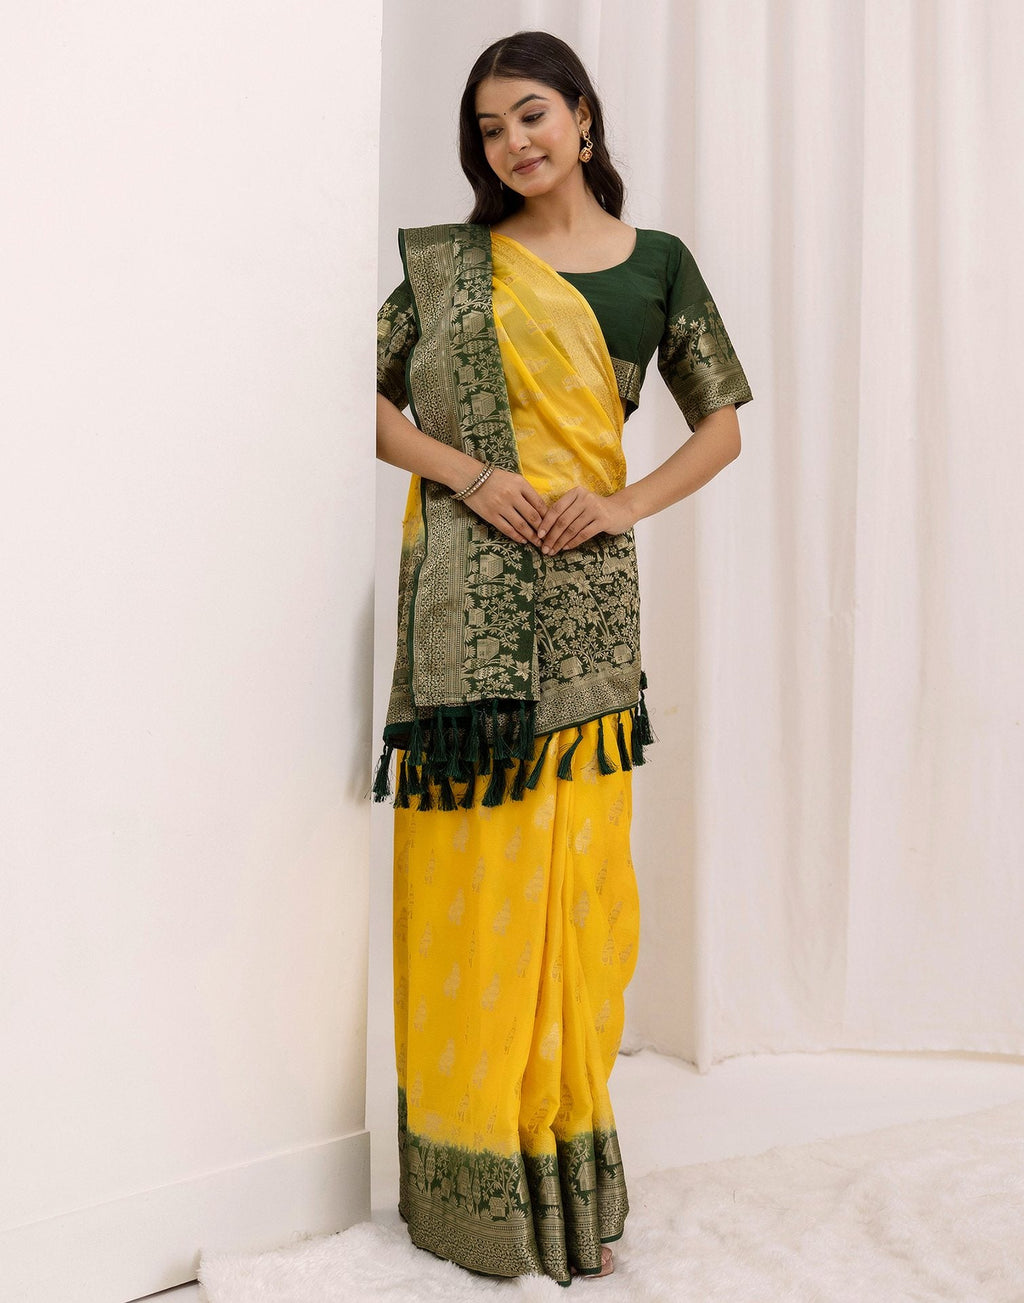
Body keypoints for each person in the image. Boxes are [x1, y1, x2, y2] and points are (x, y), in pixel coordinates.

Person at [373, 30, 752, 1286]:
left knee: (581, 898)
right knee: (475, 884)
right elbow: (355, 396)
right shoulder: (448, 270)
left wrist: (624, 503)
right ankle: (471, 1190)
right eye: (488, 129)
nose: (513, 143)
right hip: (467, 621)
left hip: (589, 606)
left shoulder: (657, 264)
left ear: (582, 117)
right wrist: (472, 475)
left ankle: (566, 1174)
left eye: (530, 114)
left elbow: (721, 425)